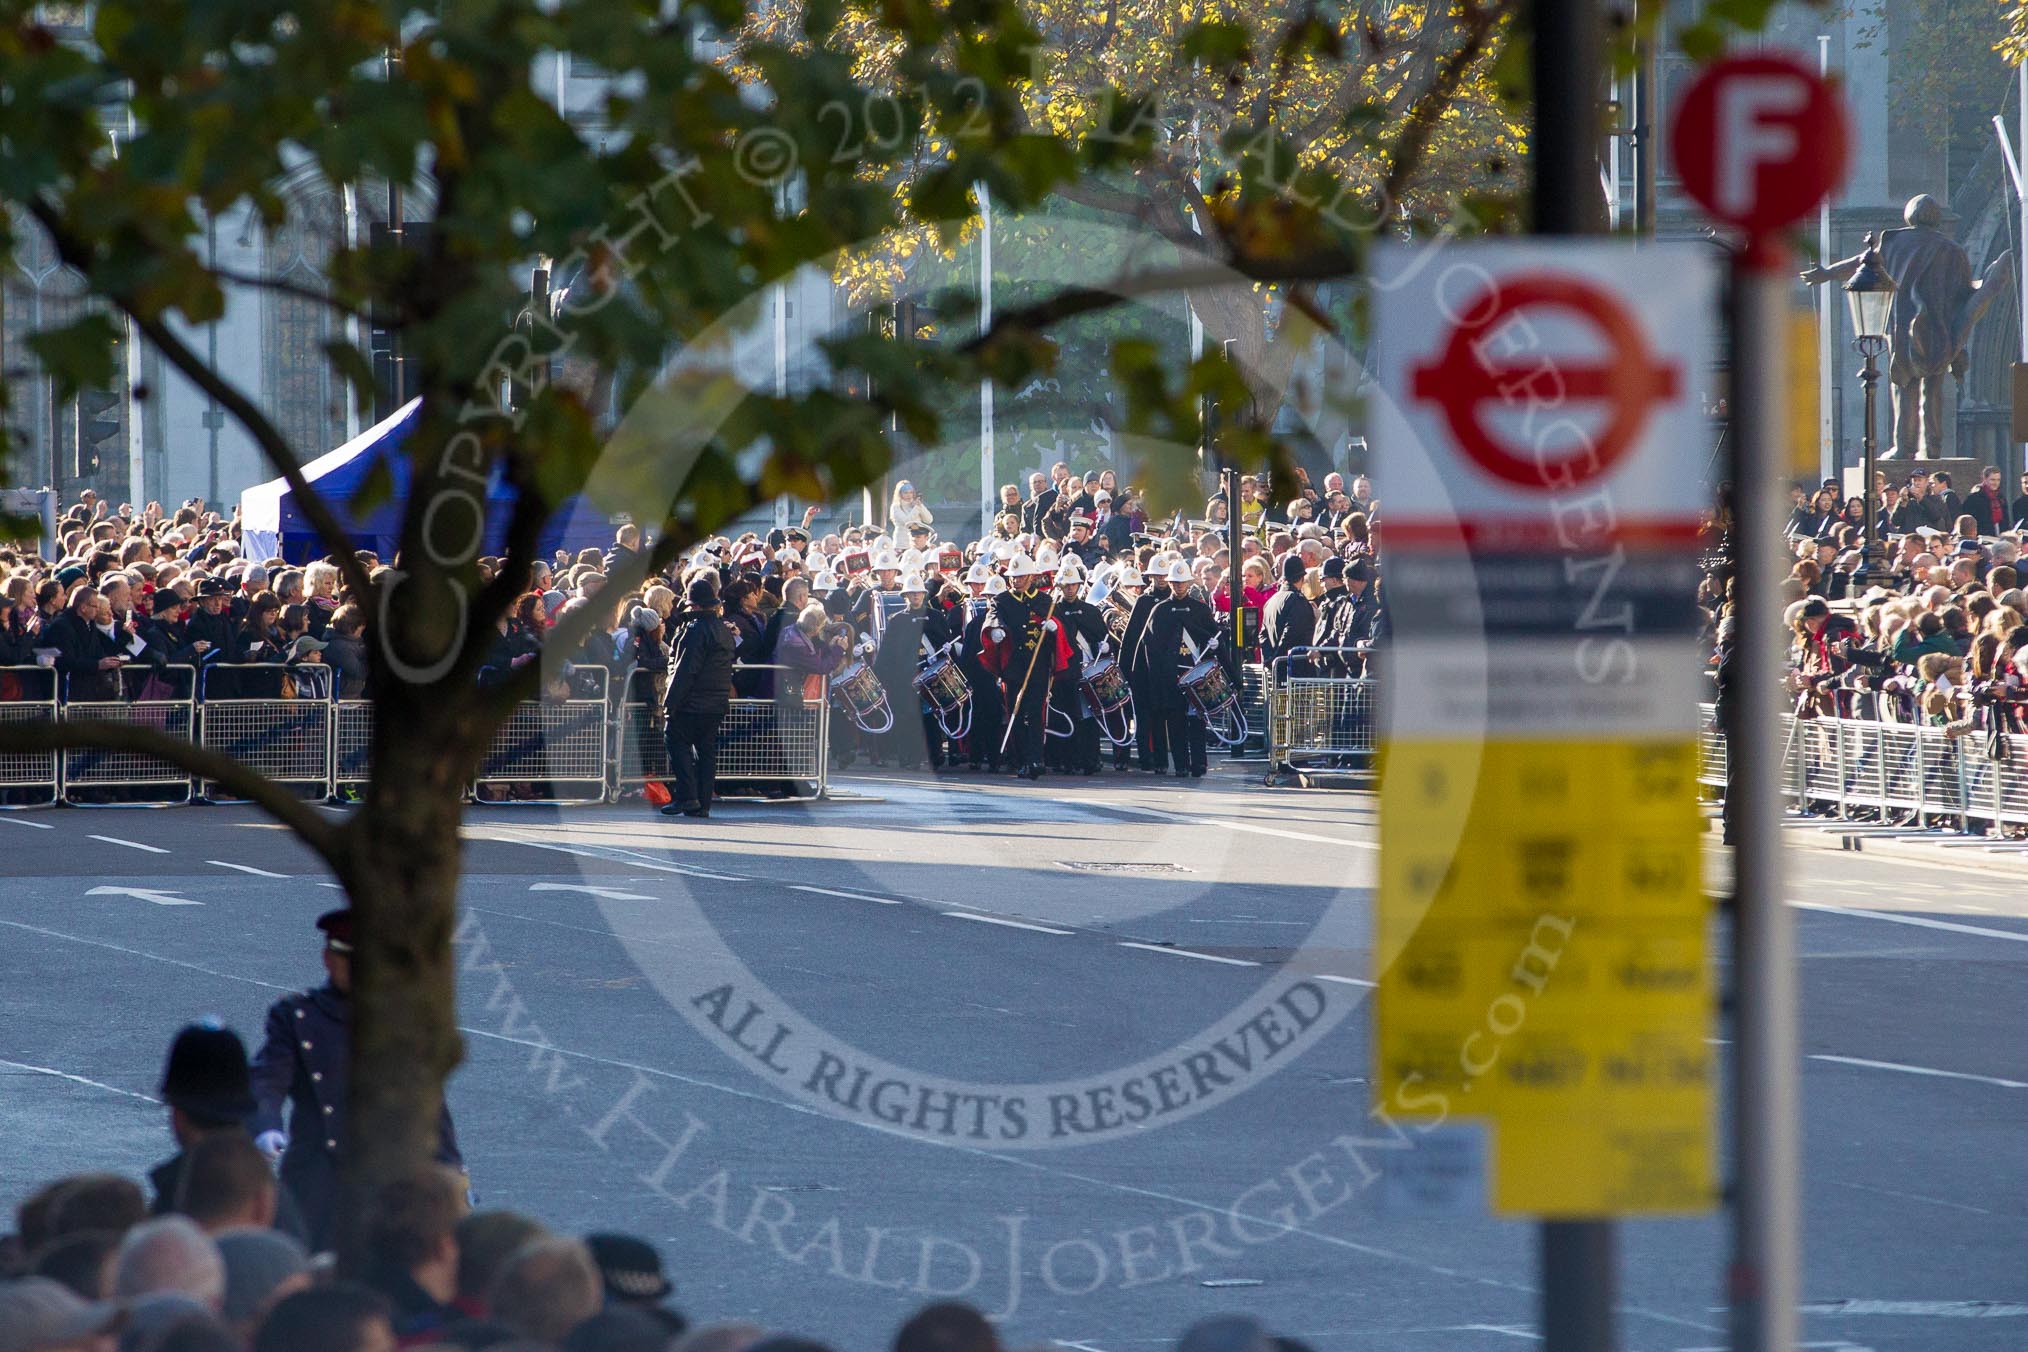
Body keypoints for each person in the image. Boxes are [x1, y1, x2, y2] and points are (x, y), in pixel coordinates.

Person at [248, 910, 464, 1251]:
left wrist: (453, 1175)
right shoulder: (298, 1017)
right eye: (349, 960)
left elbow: (430, 1108)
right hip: (318, 1180)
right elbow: (268, 1079)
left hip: (390, 1183)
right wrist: (267, 1126)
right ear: (328, 959)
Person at [660, 576, 739, 819]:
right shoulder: (723, 630)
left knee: (675, 740)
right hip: (715, 702)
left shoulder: (694, 631)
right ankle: (702, 803)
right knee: (706, 752)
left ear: (693, 605)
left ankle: (687, 797)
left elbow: (685, 671)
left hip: (691, 702)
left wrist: (670, 703)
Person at [982, 555, 1066, 780]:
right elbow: (993, 617)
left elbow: (1059, 628)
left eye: (1020, 577)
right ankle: (1020, 760)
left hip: (1037, 665)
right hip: (1013, 666)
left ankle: (1036, 758)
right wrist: (996, 629)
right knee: (1016, 713)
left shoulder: (1044, 601)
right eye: (1012, 577)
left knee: (1035, 712)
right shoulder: (1002, 600)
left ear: (1030, 577)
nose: (1015, 581)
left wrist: (1054, 626)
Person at [1142, 560, 1222, 777]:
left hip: (1194, 674)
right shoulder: (1160, 610)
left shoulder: (1200, 609)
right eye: (1174, 582)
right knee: (1175, 723)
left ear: (1188, 582)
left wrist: (1213, 645)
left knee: (1197, 722)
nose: (1178, 586)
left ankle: (1199, 763)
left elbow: (1213, 636)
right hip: (1171, 676)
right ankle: (1180, 765)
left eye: (1181, 582)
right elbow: (1150, 646)